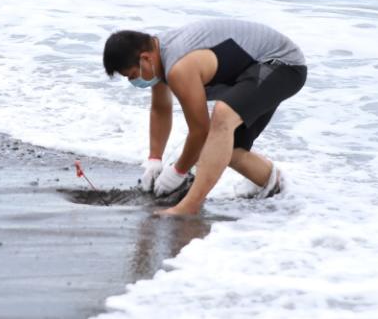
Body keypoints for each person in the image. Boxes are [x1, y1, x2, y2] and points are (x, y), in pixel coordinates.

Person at [102, 18, 307, 216]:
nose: (134, 81)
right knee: (227, 150)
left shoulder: (178, 66)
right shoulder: (158, 56)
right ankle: (280, 191)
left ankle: (190, 205)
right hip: (253, 70)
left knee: (222, 115)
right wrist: (154, 160)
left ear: (145, 58)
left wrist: (178, 172)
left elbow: (200, 130)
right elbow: (160, 109)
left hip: (283, 64)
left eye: (132, 75)